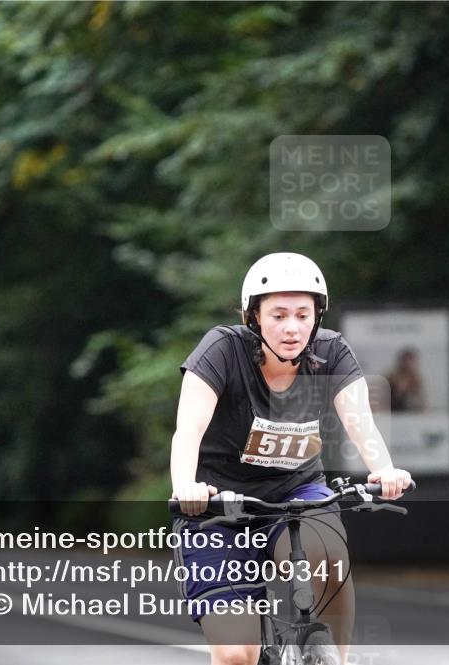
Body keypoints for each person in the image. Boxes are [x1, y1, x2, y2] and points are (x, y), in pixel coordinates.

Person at [170, 252, 412, 665]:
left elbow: (361, 423)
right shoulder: (221, 350)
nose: (292, 327)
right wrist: (186, 487)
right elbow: (187, 430)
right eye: (278, 314)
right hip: (217, 507)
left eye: (303, 314)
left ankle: (335, 657)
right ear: (254, 317)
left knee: (328, 552)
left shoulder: (331, 352)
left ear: (317, 316)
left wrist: (384, 470)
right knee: (235, 655)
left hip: (296, 494)